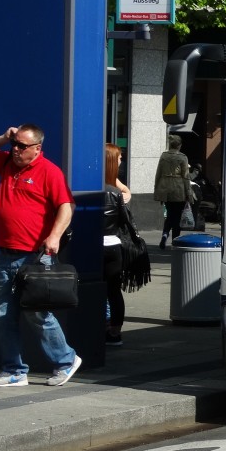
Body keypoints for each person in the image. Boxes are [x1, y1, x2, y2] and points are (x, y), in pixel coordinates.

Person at [0, 124, 81, 387]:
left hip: (35, 257)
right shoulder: (8, 164)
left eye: (22, 146)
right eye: (14, 145)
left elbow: (67, 206)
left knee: (37, 313)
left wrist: (55, 236)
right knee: (2, 314)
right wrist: (3, 137)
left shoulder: (49, 171)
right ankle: (14, 370)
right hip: (6, 255)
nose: (15, 150)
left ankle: (66, 360)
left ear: (37, 148)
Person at [102, 143, 131, 347]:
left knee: (95, 289)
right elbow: (124, 218)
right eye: (119, 158)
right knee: (114, 291)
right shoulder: (115, 192)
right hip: (113, 245)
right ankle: (115, 332)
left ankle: (101, 325)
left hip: (93, 246)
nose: (121, 162)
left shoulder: (93, 188)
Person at [153, 133, 192, 249]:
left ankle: (164, 235)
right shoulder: (183, 157)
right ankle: (175, 240)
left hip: (165, 189)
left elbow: (158, 174)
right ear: (179, 145)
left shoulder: (163, 156)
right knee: (177, 217)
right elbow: (186, 177)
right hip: (178, 189)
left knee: (170, 214)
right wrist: (189, 193)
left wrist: (157, 190)